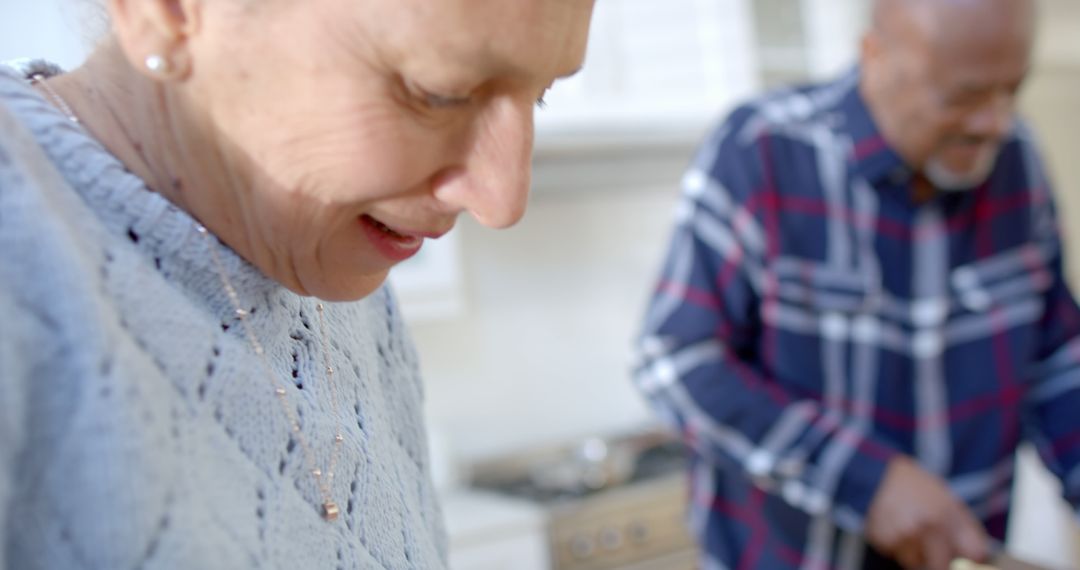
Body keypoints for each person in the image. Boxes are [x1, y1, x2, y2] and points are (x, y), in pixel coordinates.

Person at [0, 0, 593, 567]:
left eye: (539, 96)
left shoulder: (330, 251)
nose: (501, 200)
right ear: (170, 14)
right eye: (440, 92)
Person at [634, 0, 1080, 568]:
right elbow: (674, 362)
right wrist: (867, 481)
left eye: (1011, 91)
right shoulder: (761, 153)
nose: (993, 122)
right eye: (964, 97)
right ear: (875, 55)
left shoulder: (1018, 160)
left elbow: (1059, 360)